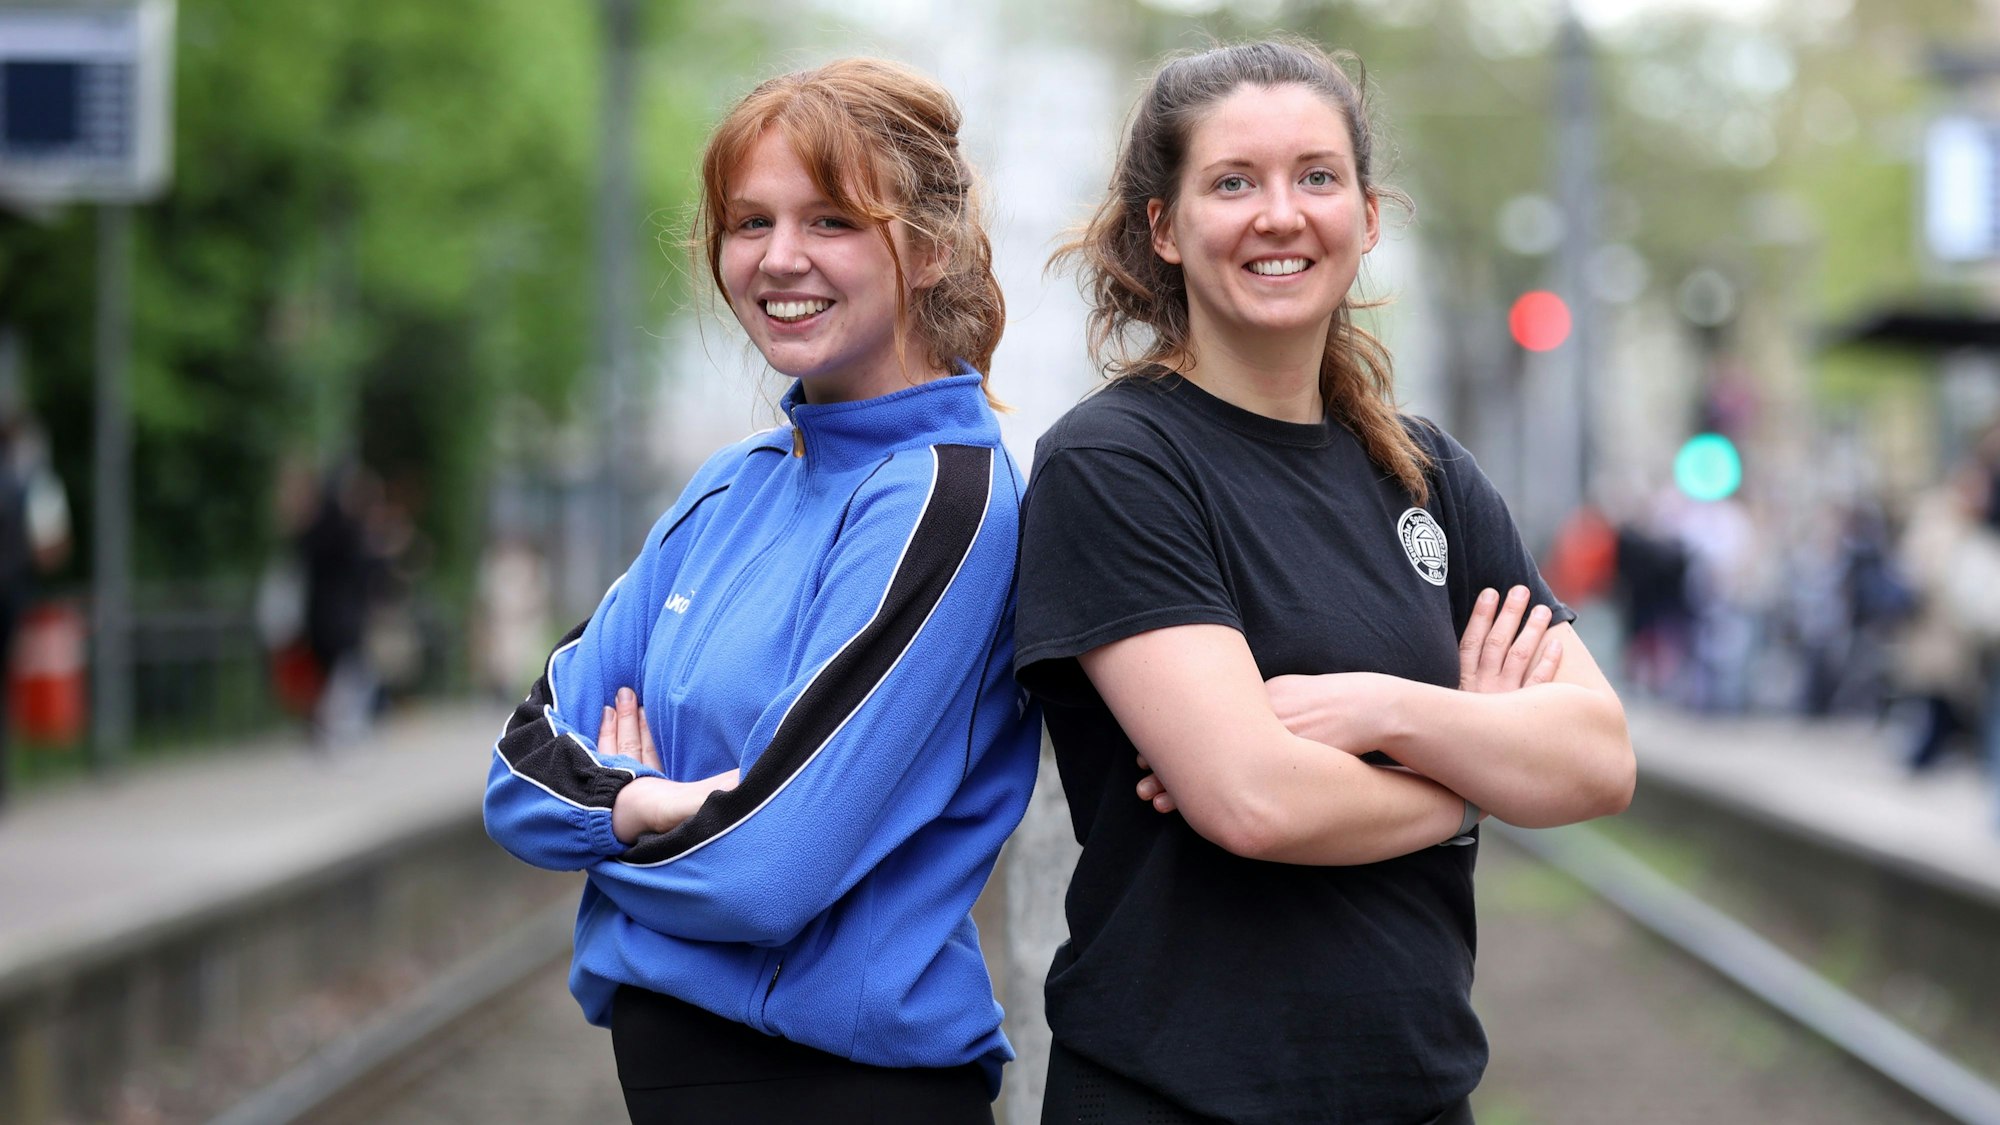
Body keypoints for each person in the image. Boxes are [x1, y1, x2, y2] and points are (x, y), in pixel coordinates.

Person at [1017, 38, 1635, 1124]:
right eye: (1230, 182)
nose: (1279, 213)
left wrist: (1382, 710)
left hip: (1415, 1092)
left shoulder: (1428, 474)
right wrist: (1476, 770)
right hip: (1175, 1096)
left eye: (1314, 176)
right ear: (1161, 227)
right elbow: (1254, 800)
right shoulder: (1115, 463)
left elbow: (1596, 761)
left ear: (1366, 215)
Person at [482, 58, 1038, 1124]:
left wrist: (606, 837)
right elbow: (516, 776)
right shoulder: (727, 487)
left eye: (830, 220)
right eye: (749, 222)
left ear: (925, 247)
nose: (780, 259)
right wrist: (654, 804)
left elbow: (762, 873)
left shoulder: (943, 499)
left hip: (841, 1095)